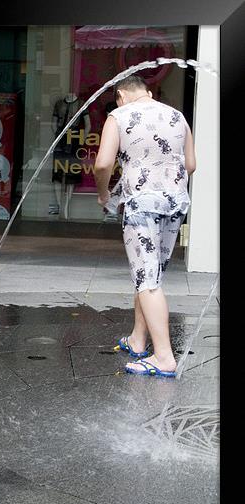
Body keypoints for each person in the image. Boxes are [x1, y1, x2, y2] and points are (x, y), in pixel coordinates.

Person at [93, 74, 196, 378]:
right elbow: (190, 165)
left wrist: (103, 193)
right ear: (148, 92)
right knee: (150, 273)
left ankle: (163, 356)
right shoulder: (177, 116)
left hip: (141, 204)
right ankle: (138, 339)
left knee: (147, 280)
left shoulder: (118, 115)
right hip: (175, 203)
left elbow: (102, 164)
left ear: (121, 95)